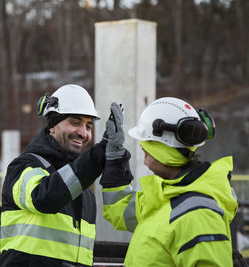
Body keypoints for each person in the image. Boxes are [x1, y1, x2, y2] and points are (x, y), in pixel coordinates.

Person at [100, 97, 238, 266]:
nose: (143, 153)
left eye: (146, 148)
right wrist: (115, 157)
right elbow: (120, 206)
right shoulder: (167, 195)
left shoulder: (199, 214)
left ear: (163, 146)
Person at [0, 84, 107, 267]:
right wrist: (97, 157)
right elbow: (44, 197)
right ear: (52, 127)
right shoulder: (24, 166)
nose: (84, 133)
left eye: (89, 126)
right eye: (75, 122)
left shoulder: (85, 194)